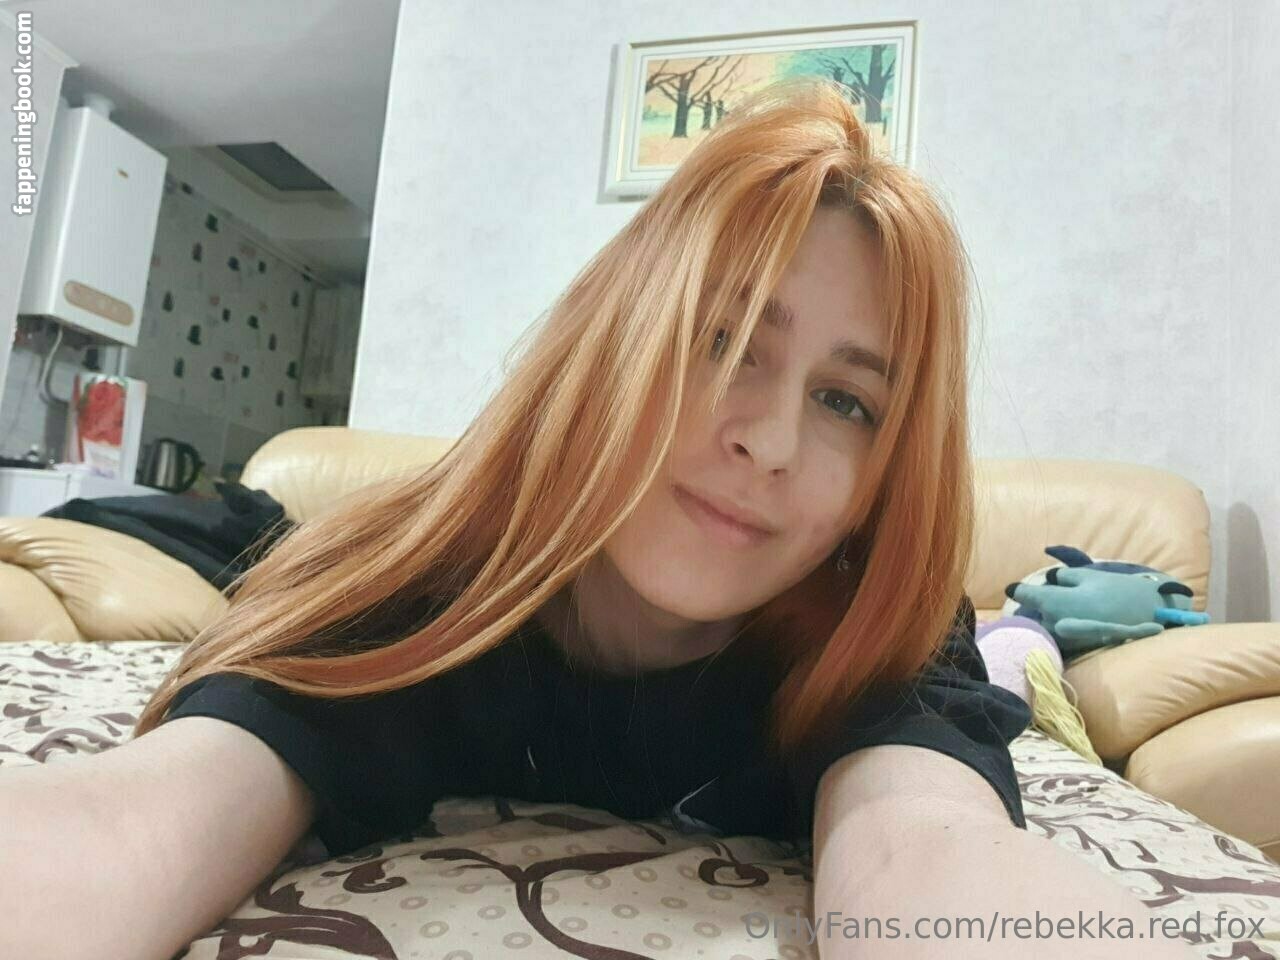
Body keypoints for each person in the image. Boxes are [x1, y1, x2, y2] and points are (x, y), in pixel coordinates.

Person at [0, 78, 1196, 960]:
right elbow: (148, 817)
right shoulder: (420, 597)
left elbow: (923, 844)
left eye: (845, 401)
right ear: (610, 344)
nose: (769, 441)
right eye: (719, 338)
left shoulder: (872, 632)